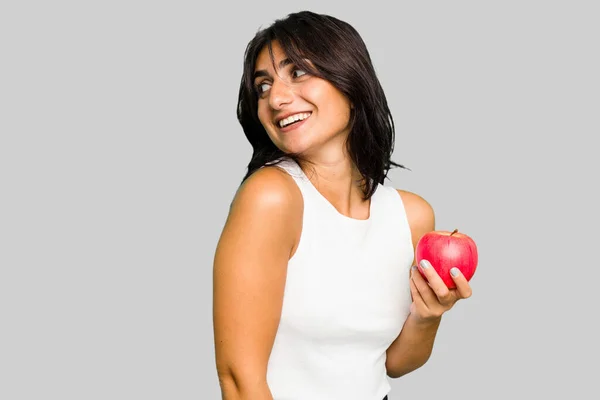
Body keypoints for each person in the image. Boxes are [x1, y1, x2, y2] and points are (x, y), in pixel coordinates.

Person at [212, 10, 473, 400]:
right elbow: (239, 379)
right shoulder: (271, 197)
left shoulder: (411, 215)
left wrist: (427, 314)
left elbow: (393, 364)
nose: (276, 98)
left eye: (297, 73)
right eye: (262, 86)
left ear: (350, 81)